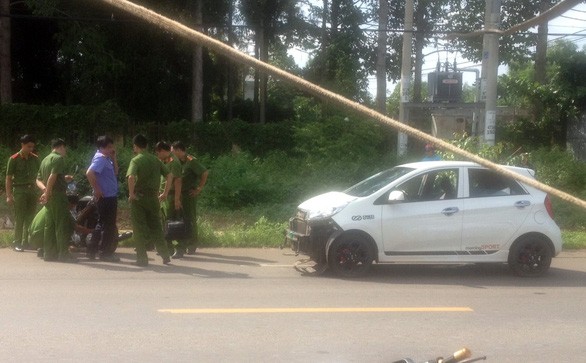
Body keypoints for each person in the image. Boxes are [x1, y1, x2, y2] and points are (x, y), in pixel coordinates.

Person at [126, 134, 174, 267]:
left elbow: (131, 177)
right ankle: (165, 255)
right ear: (146, 145)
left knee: (139, 228)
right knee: (157, 227)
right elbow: (170, 175)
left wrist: (131, 194)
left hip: (139, 198)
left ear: (135, 146)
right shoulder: (155, 160)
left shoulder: (136, 160)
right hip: (153, 198)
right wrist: (165, 192)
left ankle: (142, 258)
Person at [38, 138, 76, 262]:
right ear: (60, 147)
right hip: (58, 196)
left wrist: (45, 192)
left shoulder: (45, 159)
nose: (65, 151)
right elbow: (52, 177)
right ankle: (63, 254)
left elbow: (37, 180)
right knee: (61, 225)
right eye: (65, 148)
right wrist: (48, 193)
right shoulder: (58, 158)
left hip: (50, 197)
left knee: (49, 226)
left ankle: (49, 253)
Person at [5, 134, 43, 251]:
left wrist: (41, 190)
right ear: (22, 145)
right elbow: (8, 178)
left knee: (30, 217)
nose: (30, 149)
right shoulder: (14, 159)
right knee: (20, 217)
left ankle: (26, 241)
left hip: (32, 190)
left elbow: (40, 175)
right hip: (20, 190)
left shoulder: (35, 158)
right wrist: (9, 195)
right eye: (28, 146)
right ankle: (17, 242)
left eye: (32, 147)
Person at [85, 136, 120, 262]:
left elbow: (116, 172)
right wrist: (97, 189)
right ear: (101, 148)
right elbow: (89, 173)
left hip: (109, 195)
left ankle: (92, 251)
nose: (111, 149)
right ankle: (105, 253)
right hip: (106, 197)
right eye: (108, 147)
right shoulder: (100, 158)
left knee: (102, 224)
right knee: (108, 226)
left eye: (112, 146)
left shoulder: (106, 158)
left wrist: (113, 157)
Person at [171, 141, 208, 256]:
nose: (171, 154)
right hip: (178, 194)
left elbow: (205, 172)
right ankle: (182, 243)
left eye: (173, 151)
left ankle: (192, 244)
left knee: (189, 218)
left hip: (188, 195)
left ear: (179, 150)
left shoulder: (191, 161)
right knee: (179, 219)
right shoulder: (175, 162)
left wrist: (199, 188)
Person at [154, 141, 183, 257]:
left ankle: (179, 248)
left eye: (158, 153)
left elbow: (178, 181)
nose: (157, 155)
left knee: (175, 223)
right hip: (164, 196)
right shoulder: (165, 161)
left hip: (171, 196)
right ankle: (168, 248)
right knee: (166, 222)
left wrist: (176, 199)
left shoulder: (174, 162)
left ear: (163, 151)